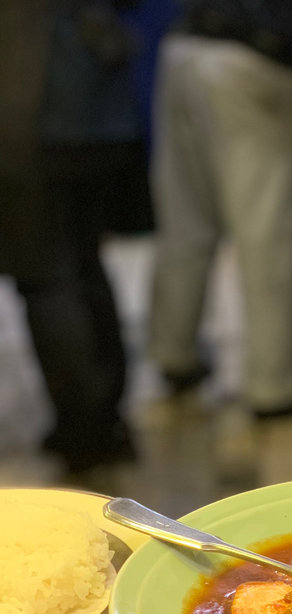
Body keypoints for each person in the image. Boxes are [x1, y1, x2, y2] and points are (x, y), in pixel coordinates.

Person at [147, 0, 292, 414]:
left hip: (185, 47)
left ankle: (173, 356)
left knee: (185, 220)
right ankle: (277, 388)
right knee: (268, 231)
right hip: (251, 60)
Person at [0, 0, 153, 472]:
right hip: (95, 112)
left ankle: (85, 430)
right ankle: (104, 417)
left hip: (31, 112)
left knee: (47, 278)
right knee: (83, 265)